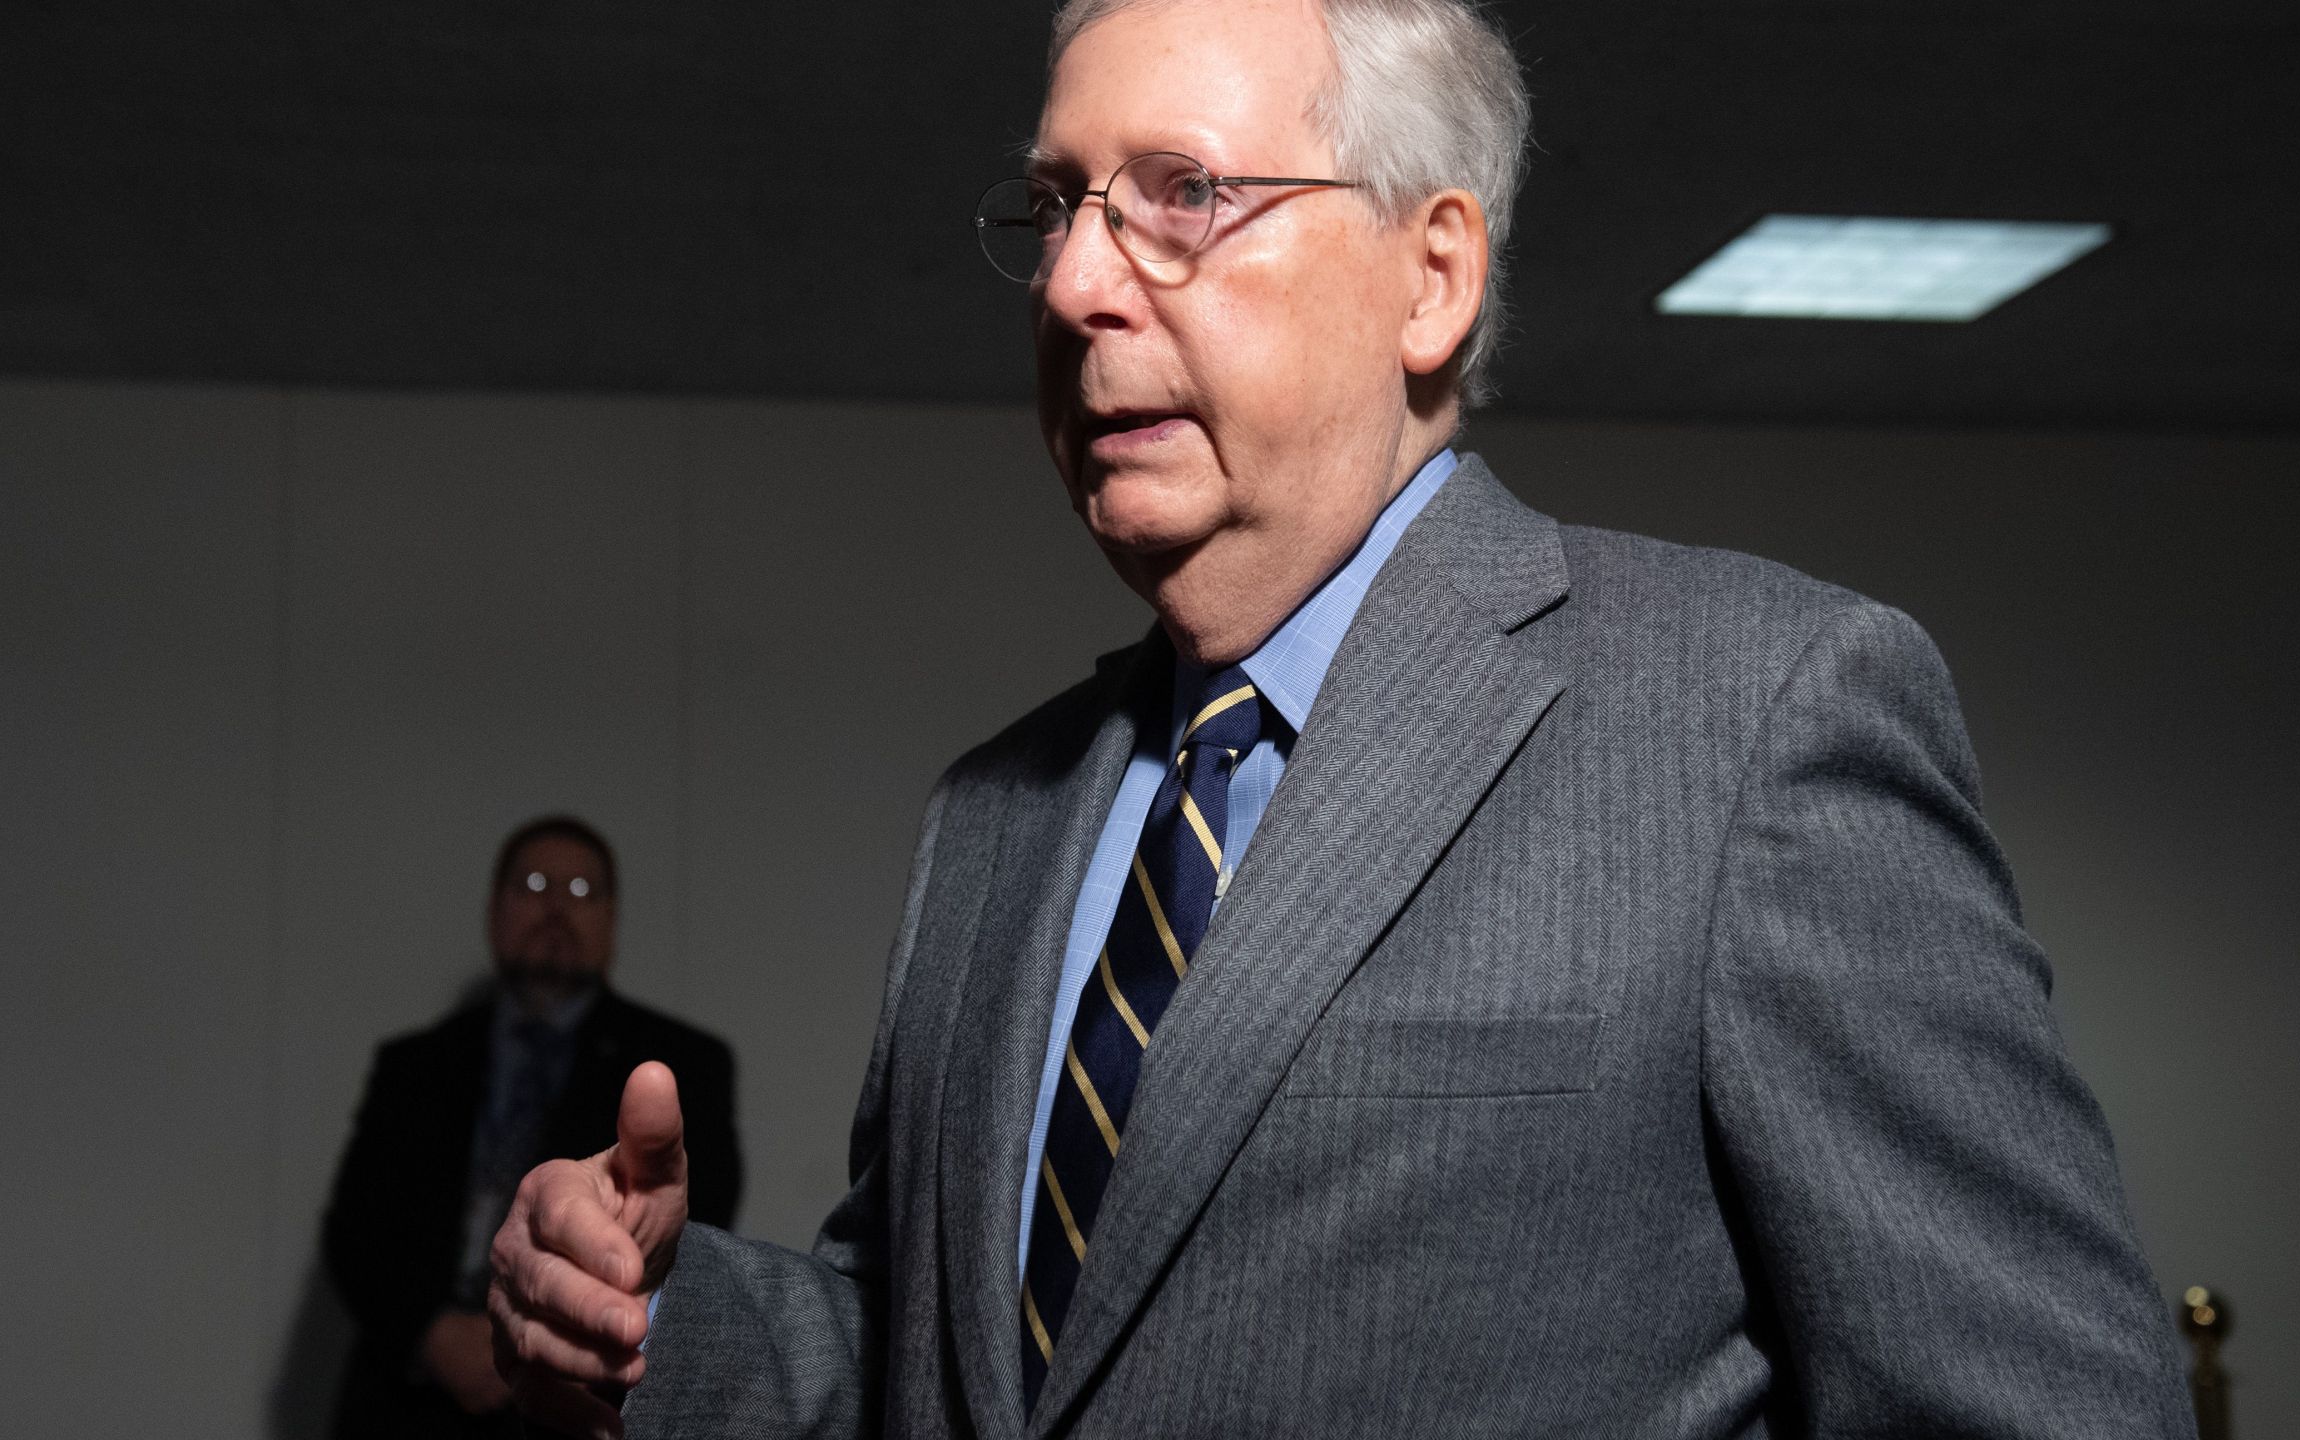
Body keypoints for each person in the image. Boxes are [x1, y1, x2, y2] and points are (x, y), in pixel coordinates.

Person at [490, 1, 2195, 1435]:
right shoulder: (990, 822)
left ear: (1430, 275)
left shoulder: (1755, 722)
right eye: (1059, 204)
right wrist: (656, 1320)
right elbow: (951, 1362)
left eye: (1180, 195)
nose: (1077, 280)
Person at [322, 815, 741, 1437]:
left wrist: (556, 1332)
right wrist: (430, 1334)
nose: (554, 908)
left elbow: (698, 1223)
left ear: (612, 923)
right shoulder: (412, 1064)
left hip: (578, 1403)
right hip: (405, 1403)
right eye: (534, 884)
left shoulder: (683, 1062)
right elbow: (354, 1229)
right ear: (495, 910)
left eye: (580, 892)